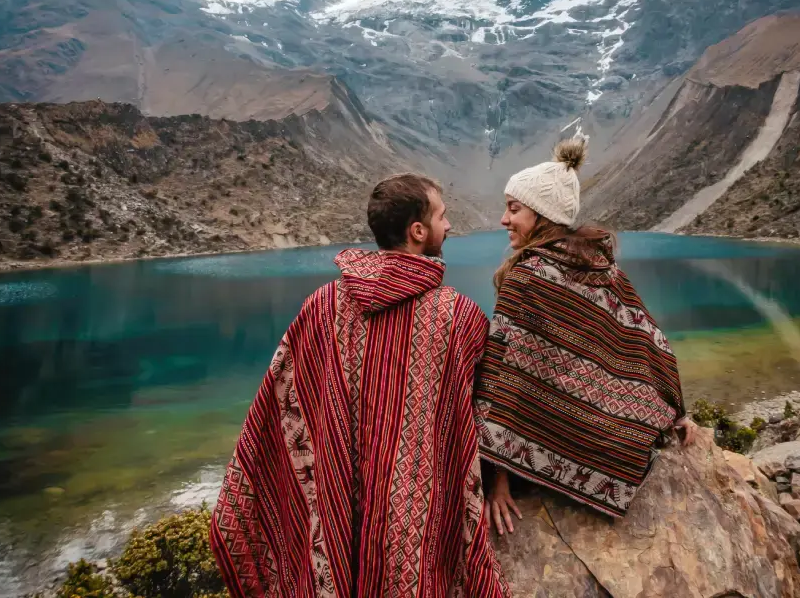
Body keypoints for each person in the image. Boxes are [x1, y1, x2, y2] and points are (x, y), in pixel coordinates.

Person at [210, 174, 510, 597]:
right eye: (442, 217)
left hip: (336, 503)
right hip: (414, 522)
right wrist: (499, 481)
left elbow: (279, 401)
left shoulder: (321, 306)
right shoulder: (458, 317)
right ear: (417, 231)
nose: (449, 225)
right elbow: (490, 404)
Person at [475, 138, 698, 535]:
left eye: (514, 209)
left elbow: (500, 381)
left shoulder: (525, 278)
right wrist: (675, 409)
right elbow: (650, 340)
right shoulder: (602, 266)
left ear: (542, 214)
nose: (504, 220)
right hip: (614, 447)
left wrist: (497, 480)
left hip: (551, 440)